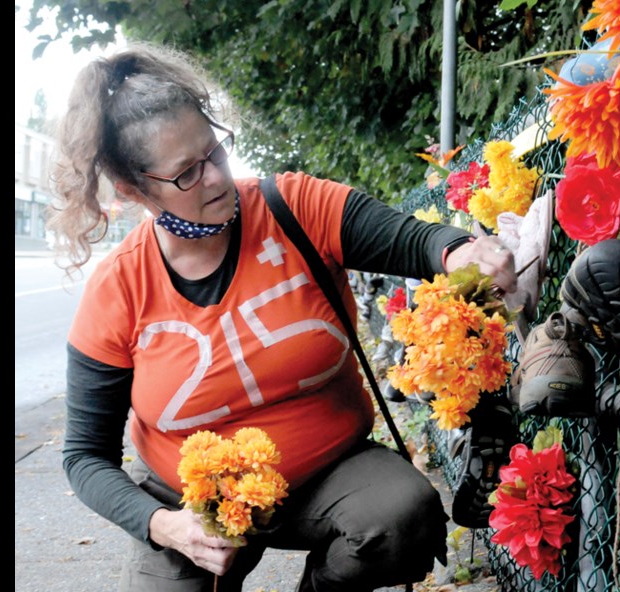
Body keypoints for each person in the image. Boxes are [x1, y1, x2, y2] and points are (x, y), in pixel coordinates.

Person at [49, 42, 517, 592]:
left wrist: (461, 252)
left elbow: (412, 240)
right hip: (191, 507)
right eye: (186, 174)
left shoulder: (293, 208)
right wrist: (166, 526)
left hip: (329, 473)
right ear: (134, 190)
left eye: (215, 152)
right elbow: (84, 456)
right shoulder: (120, 288)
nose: (216, 178)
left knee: (401, 517)